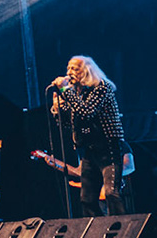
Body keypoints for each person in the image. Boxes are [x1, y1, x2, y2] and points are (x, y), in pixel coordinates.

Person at [51, 56, 128, 216]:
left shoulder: (102, 87)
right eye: (68, 69)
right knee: (87, 199)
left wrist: (66, 91)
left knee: (110, 193)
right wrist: (58, 107)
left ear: (86, 71)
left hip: (108, 146)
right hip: (89, 150)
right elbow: (67, 124)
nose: (69, 73)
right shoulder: (77, 94)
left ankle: (123, 232)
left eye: (74, 69)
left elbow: (87, 112)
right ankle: (97, 233)